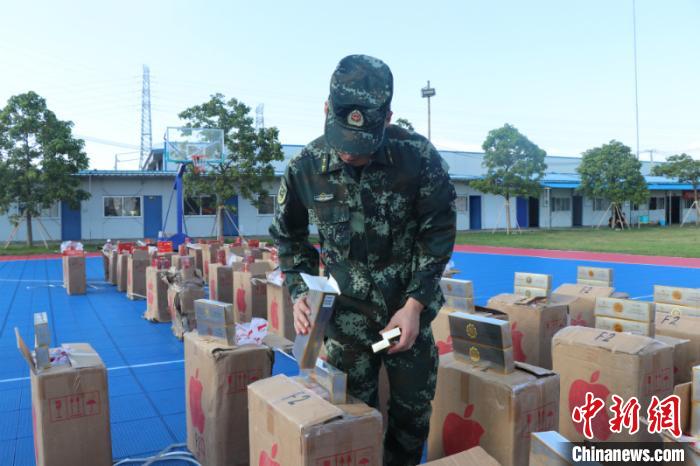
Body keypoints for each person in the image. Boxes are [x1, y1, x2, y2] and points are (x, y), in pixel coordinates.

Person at [270, 55, 456, 465]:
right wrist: (300, 292)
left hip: (406, 320)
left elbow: (438, 232)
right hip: (346, 322)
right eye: (343, 142)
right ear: (325, 110)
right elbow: (289, 238)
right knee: (350, 422)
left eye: (364, 144)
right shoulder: (304, 168)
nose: (352, 155)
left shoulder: (419, 159)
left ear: (388, 117)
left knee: (411, 421)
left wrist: (414, 305)